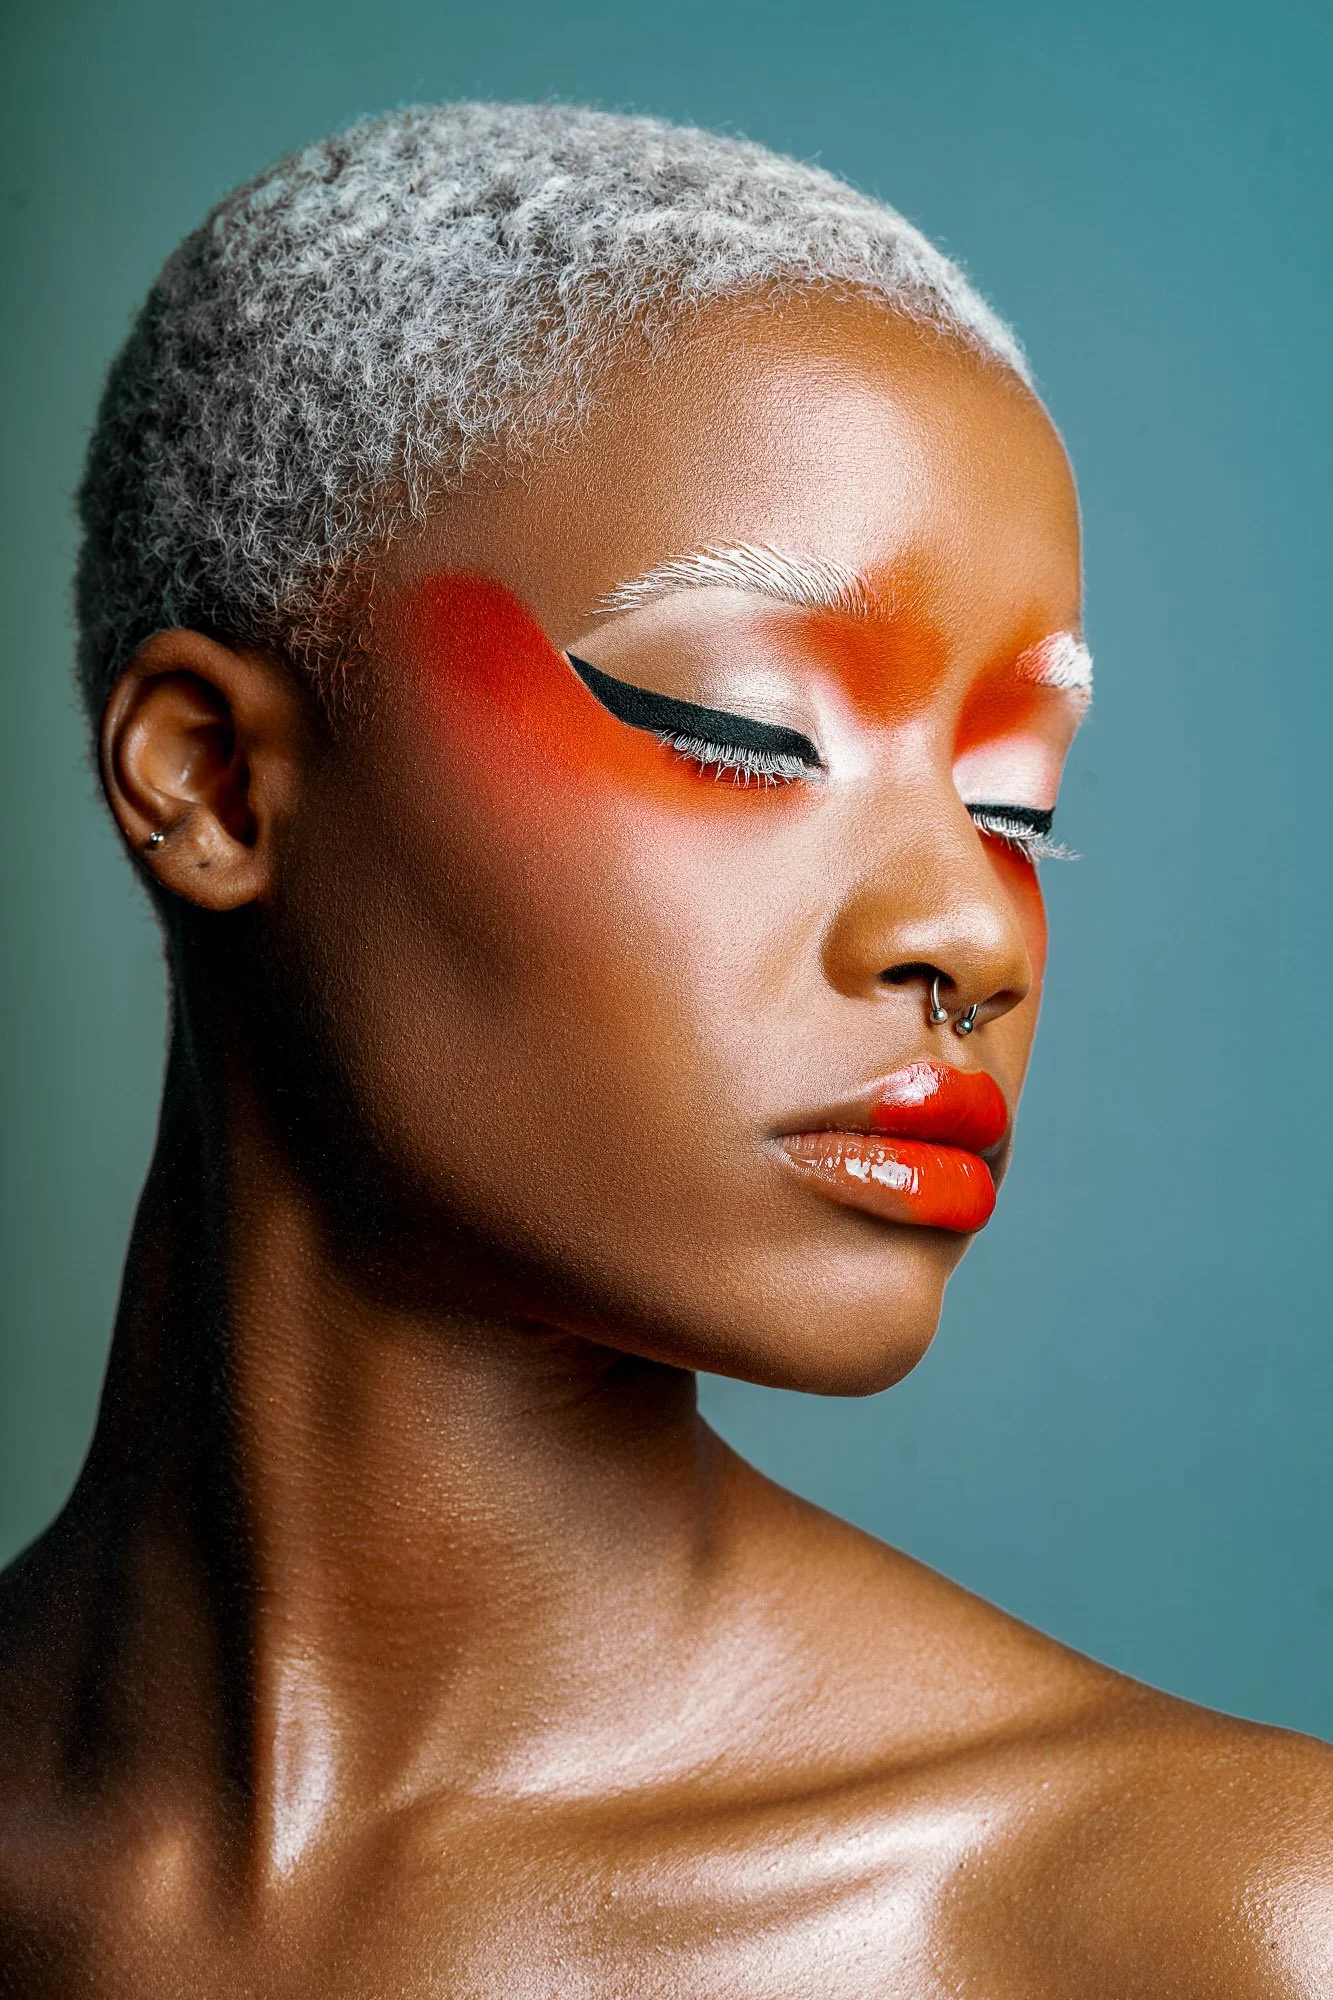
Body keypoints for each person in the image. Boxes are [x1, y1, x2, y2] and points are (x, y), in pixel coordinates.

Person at [1, 101, 1328, 1996]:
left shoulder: (1215, 1925)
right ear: (213, 779)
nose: (964, 926)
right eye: (748, 733)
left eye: (1016, 804)